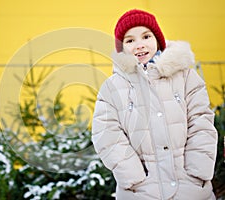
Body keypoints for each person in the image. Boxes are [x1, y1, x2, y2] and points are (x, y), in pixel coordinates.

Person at [91, 9, 218, 200]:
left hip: (190, 188)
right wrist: (134, 177)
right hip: (141, 191)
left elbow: (201, 121)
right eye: (130, 40)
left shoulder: (185, 77)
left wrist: (197, 171)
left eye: (146, 36)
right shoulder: (113, 88)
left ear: (158, 39)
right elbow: (106, 134)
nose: (139, 45)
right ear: (122, 48)